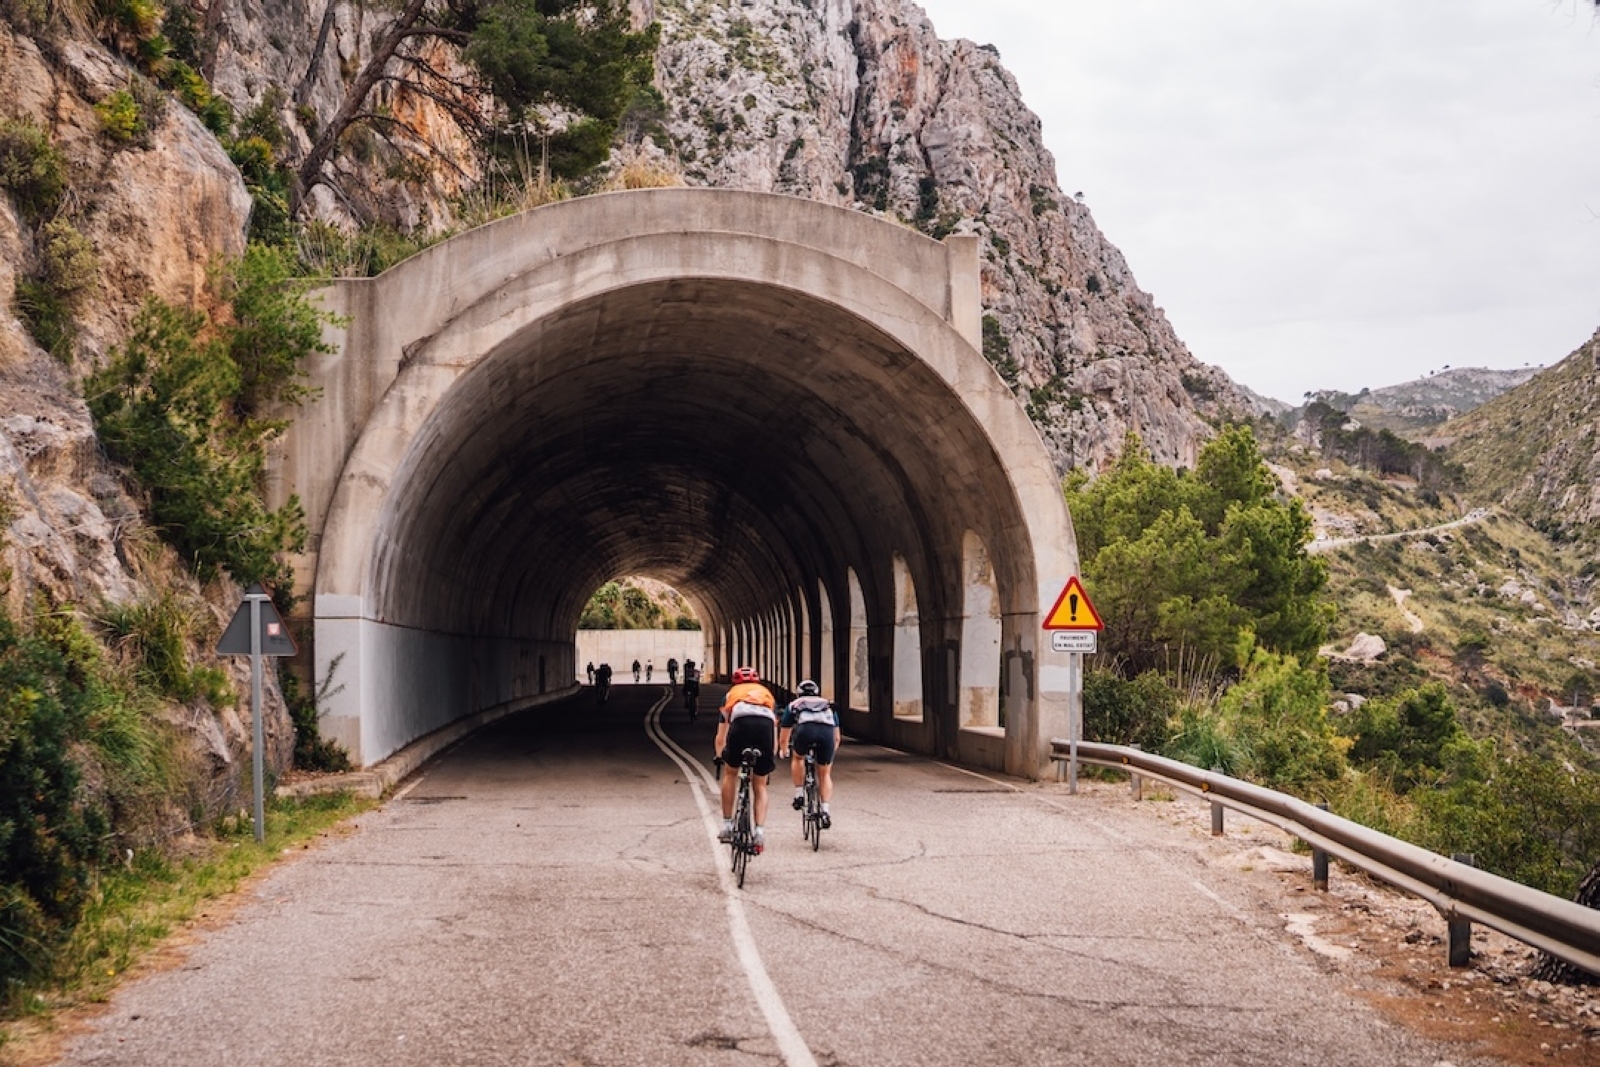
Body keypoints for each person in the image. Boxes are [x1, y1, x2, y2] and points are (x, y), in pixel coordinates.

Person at [715, 666, 777, 852]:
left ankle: (727, 825)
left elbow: (721, 735)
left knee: (731, 773)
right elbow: (773, 729)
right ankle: (759, 831)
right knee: (760, 784)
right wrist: (769, 758)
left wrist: (719, 756)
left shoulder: (731, 695)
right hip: (765, 726)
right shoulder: (767, 695)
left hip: (741, 724)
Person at [778, 680, 841, 828]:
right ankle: (825, 810)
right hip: (826, 733)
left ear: (798, 693)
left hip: (805, 730)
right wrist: (830, 753)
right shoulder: (828, 704)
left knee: (798, 757)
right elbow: (837, 737)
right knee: (825, 774)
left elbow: (784, 734)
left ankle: (799, 794)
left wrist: (784, 749)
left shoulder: (795, 704)